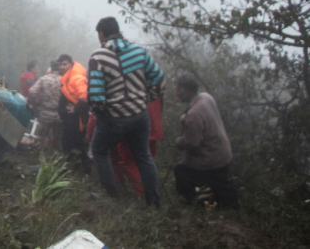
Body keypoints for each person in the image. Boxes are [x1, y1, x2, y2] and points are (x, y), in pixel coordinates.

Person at [88, 17, 164, 208]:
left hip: (114, 118)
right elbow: (159, 79)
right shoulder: (139, 51)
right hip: (140, 115)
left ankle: (112, 198)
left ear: (102, 34)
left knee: (99, 150)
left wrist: (104, 115)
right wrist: (147, 97)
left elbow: (96, 98)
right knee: (144, 156)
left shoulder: (98, 57)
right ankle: (154, 202)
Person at [174, 75, 239, 209]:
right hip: (223, 152)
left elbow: (193, 144)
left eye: (178, 90)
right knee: (222, 185)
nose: (177, 93)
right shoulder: (206, 97)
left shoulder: (193, 114)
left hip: (211, 159)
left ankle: (191, 204)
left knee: (181, 171)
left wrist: (179, 142)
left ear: (187, 91)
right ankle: (225, 201)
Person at [57, 54, 89, 167]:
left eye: (64, 64)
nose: (61, 67)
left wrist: (76, 108)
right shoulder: (66, 78)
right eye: (60, 64)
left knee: (78, 144)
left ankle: (82, 169)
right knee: (68, 142)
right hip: (69, 119)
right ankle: (72, 167)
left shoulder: (76, 77)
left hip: (77, 120)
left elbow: (84, 97)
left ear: (71, 64)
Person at [28, 61, 62, 145]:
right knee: (59, 139)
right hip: (59, 113)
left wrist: (38, 102)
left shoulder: (44, 78)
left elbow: (32, 91)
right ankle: (56, 155)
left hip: (45, 112)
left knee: (40, 138)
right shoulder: (64, 79)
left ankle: (39, 154)